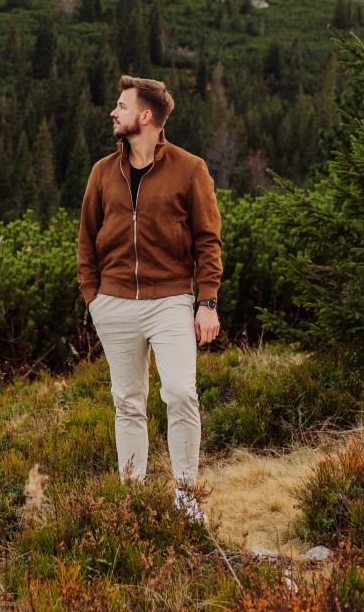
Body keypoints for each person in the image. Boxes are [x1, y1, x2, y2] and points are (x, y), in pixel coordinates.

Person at [77, 74, 222, 520]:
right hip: (114, 304)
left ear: (145, 117)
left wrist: (208, 300)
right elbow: (86, 239)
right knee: (128, 402)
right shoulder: (103, 171)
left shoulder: (189, 168)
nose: (113, 112)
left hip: (170, 300)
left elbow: (208, 239)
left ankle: (185, 498)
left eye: (121, 106)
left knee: (180, 392)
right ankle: (132, 498)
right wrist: (93, 299)